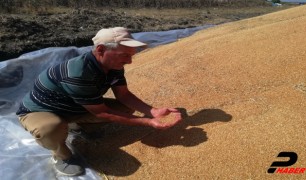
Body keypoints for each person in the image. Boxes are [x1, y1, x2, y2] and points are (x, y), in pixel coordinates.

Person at [16, 27, 182, 176]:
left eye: (131, 56)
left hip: (76, 106)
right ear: (101, 50)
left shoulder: (113, 66)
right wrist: (148, 122)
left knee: (124, 108)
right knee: (51, 128)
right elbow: (102, 112)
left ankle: (79, 127)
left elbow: (123, 95)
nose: (129, 61)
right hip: (41, 111)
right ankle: (61, 156)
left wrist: (153, 111)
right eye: (124, 55)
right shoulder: (78, 73)